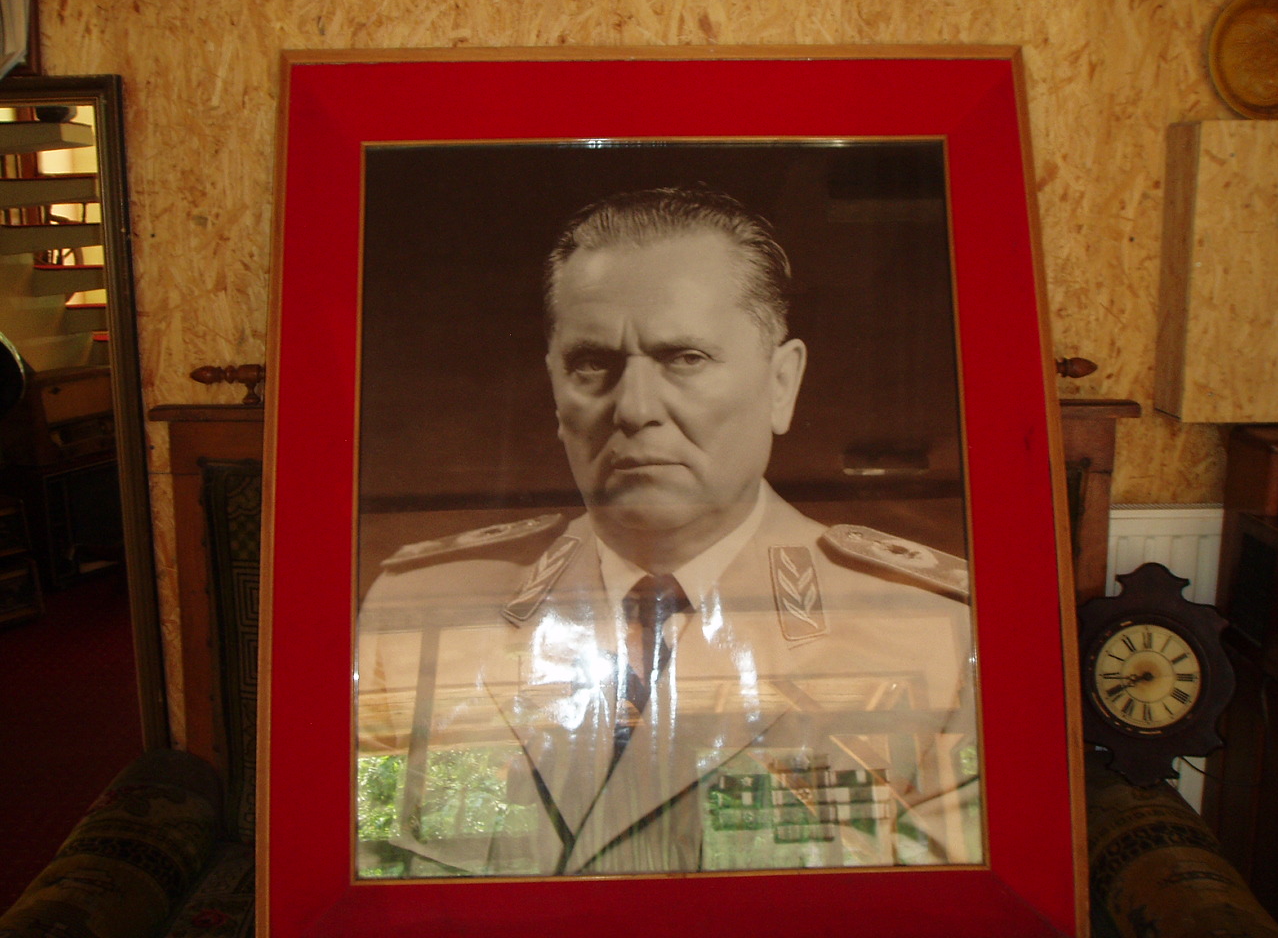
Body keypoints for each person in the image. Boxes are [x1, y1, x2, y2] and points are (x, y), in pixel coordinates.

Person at [357, 187, 979, 878]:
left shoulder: (934, 635)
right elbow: (374, 884)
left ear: (781, 383)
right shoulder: (417, 612)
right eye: (593, 363)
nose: (633, 409)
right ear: (555, 389)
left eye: (685, 358)